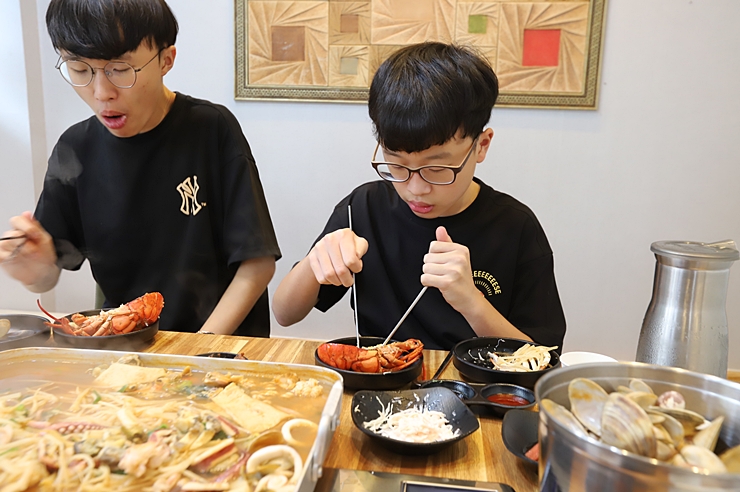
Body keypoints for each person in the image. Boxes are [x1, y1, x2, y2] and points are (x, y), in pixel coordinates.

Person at [0, 0, 281, 336]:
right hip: (126, 349)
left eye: (120, 70)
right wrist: (31, 266)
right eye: (79, 70)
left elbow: (257, 262)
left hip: (219, 348)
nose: (102, 93)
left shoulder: (211, 129)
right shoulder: (75, 148)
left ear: (166, 60)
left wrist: (199, 348)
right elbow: (47, 275)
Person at [273, 42, 566, 350]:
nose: (415, 188)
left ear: (481, 145)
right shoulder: (363, 208)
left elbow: (543, 359)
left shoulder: (515, 227)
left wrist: (470, 301)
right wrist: (314, 261)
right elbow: (284, 313)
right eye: (396, 164)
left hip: (472, 390)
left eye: (437, 168)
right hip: (380, 385)